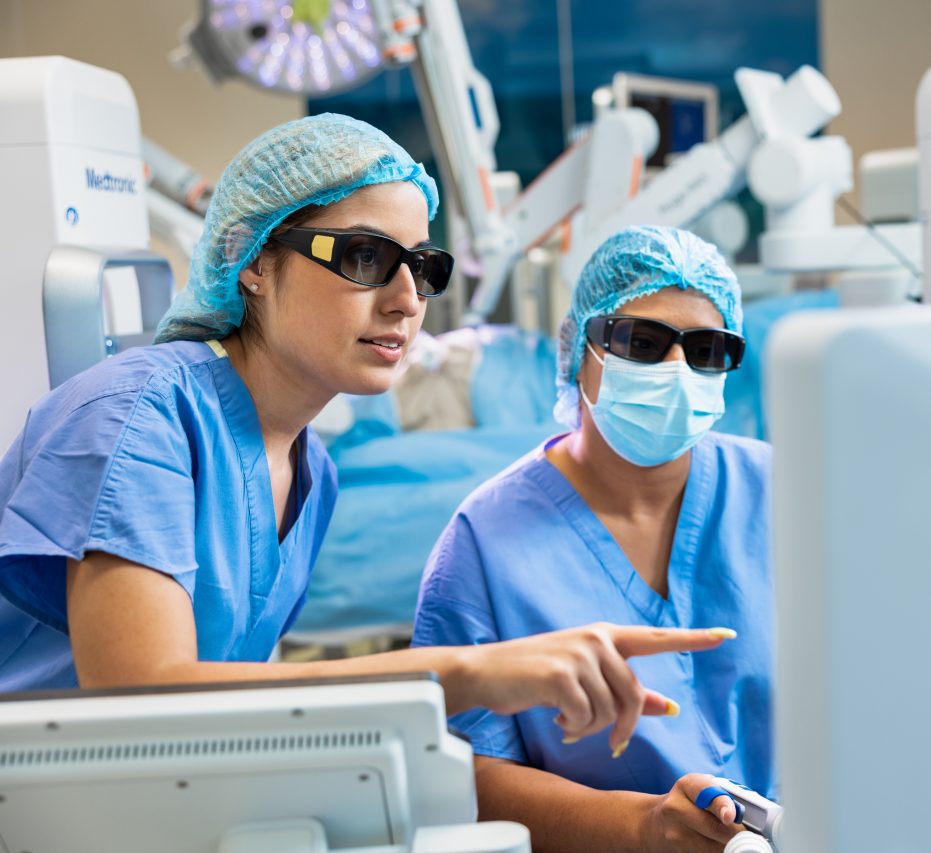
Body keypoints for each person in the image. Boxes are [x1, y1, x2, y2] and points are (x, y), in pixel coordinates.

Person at [0, 116, 730, 751]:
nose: (408, 299)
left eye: (421, 266)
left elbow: (219, 711)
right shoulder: (136, 416)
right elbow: (139, 701)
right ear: (253, 259)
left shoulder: (309, 469)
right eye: (364, 257)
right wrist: (467, 671)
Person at [413, 226, 774, 853]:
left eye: (707, 351)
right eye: (642, 342)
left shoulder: (782, 493)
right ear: (579, 350)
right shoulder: (484, 543)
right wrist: (641, 827)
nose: (676, 371)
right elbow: (463, 775)